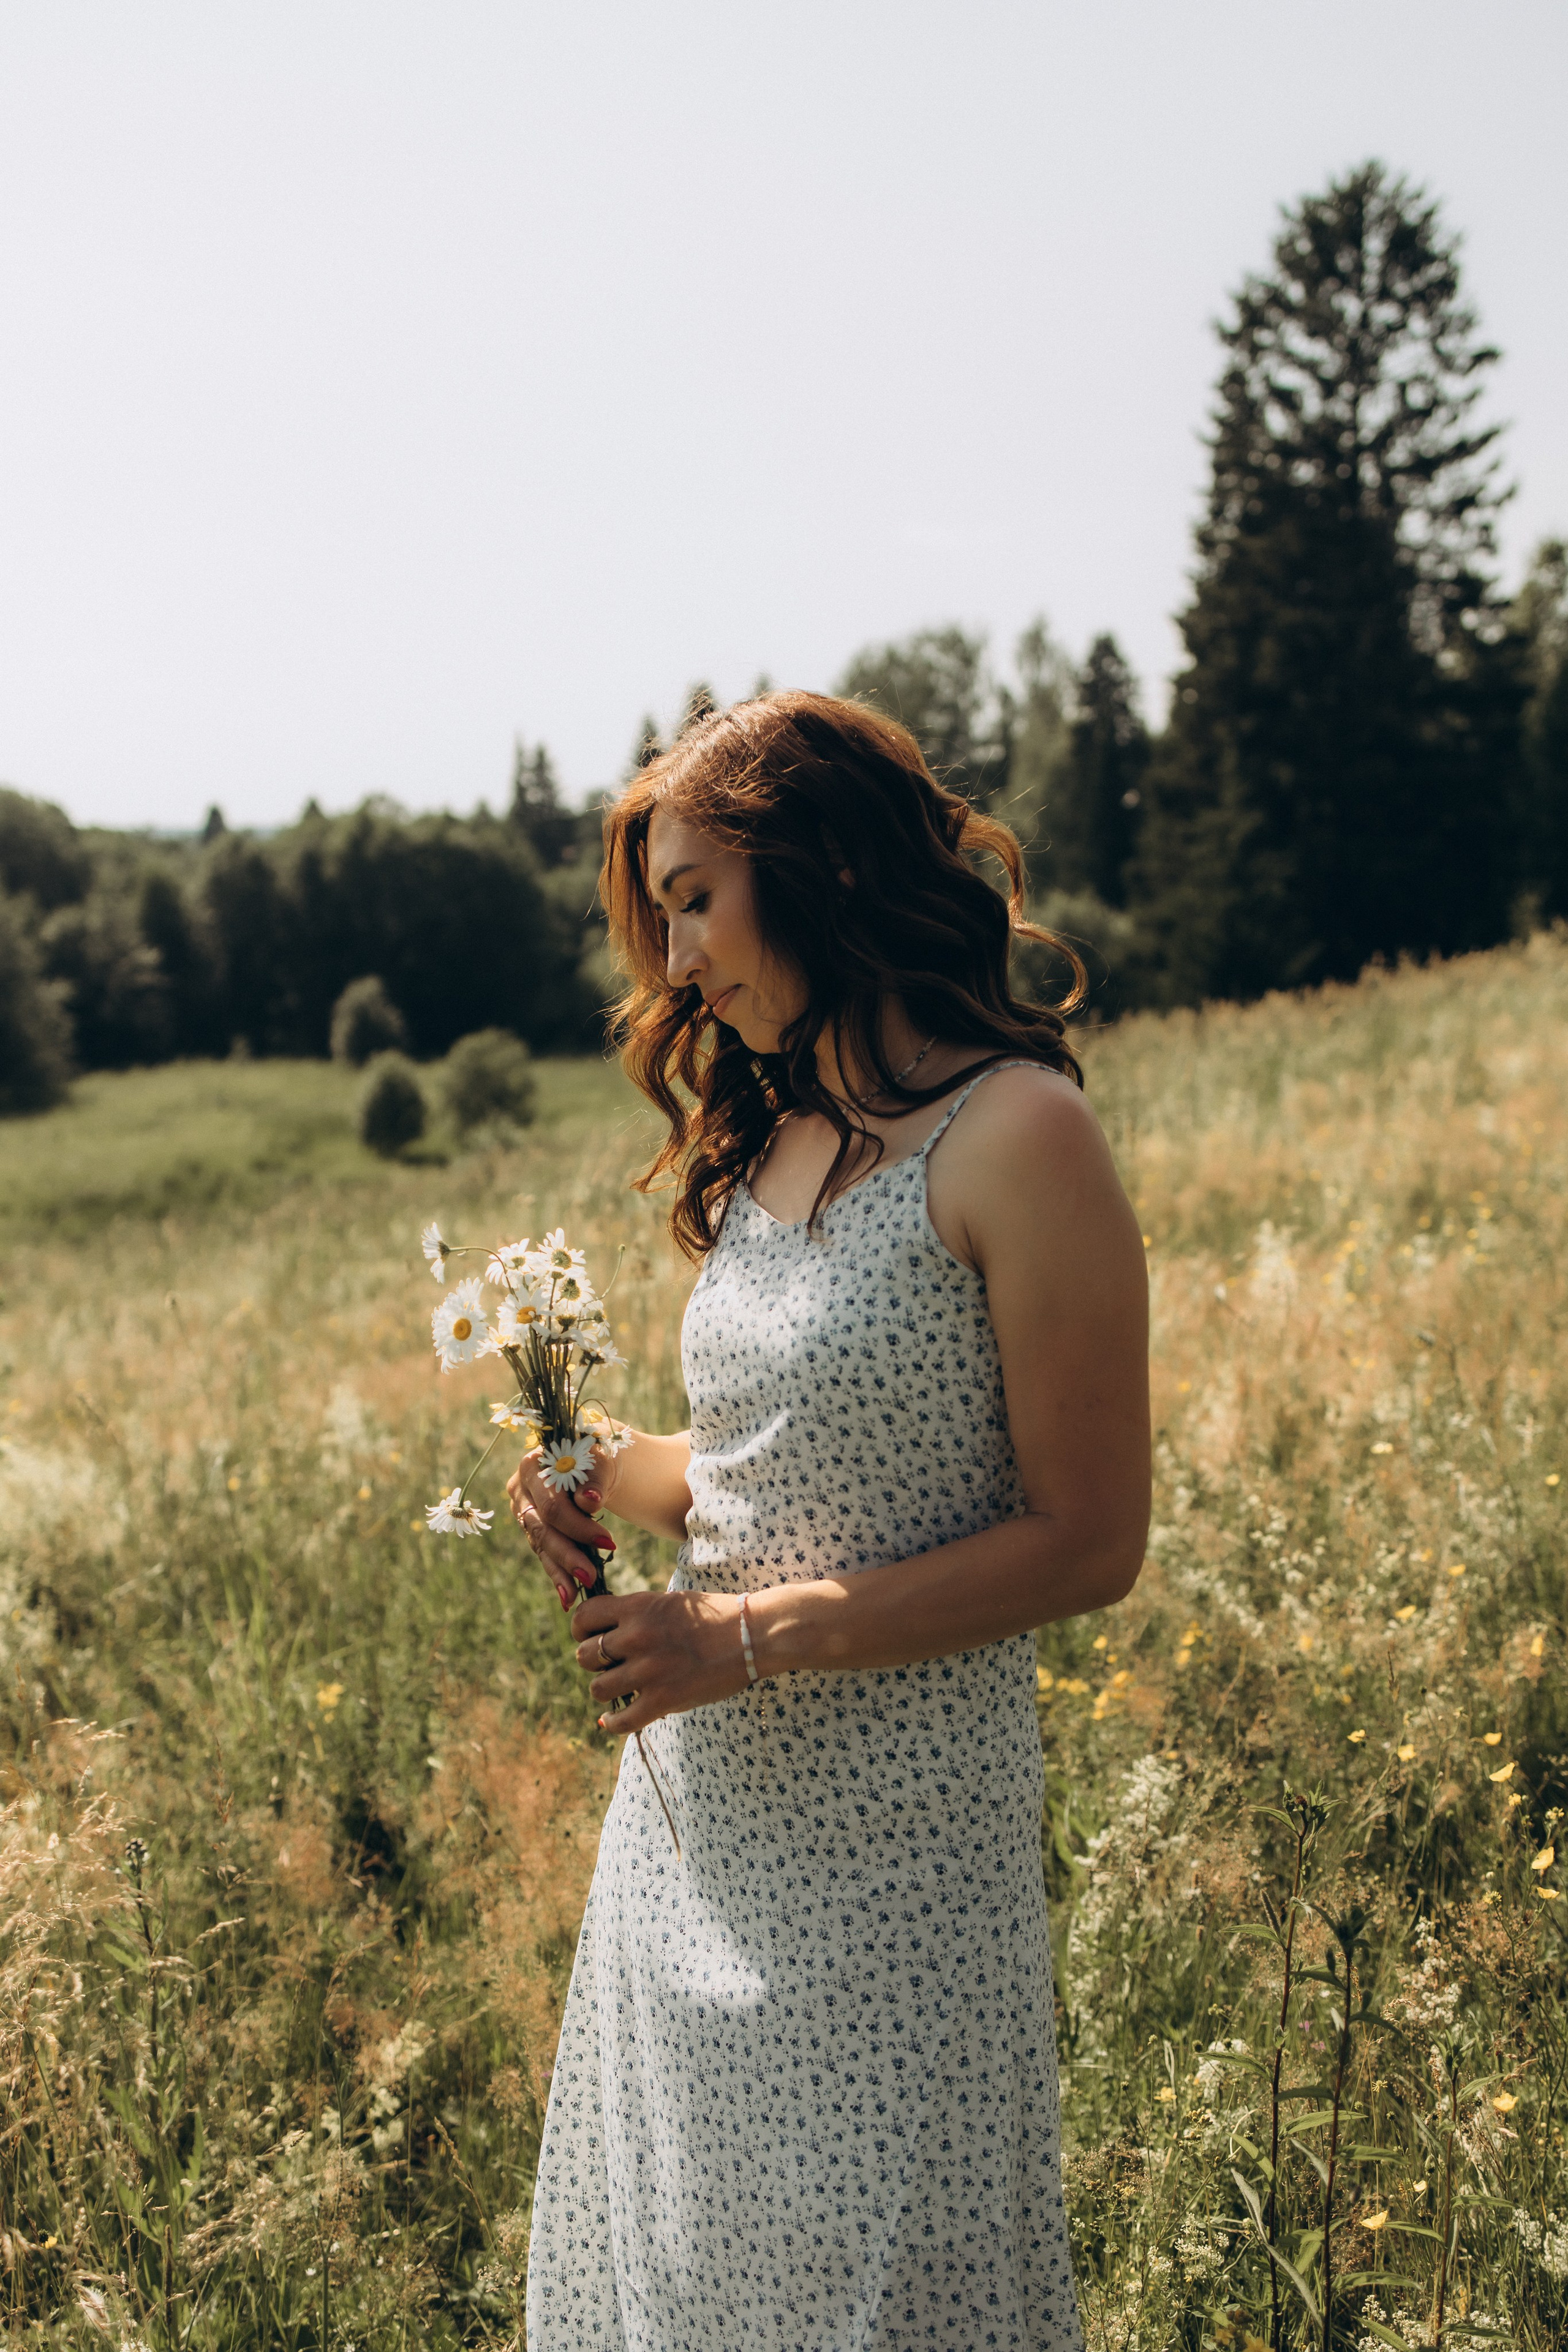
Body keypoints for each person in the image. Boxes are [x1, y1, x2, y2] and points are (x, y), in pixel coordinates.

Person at [509, 689, 1151, 2350]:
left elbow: (1091, 1538)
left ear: (826, 868)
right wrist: (599, 1468)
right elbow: (748, 1475)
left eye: (697, 895)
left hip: (896, 1863)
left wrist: (738, 1638)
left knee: (879, 2294)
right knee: (693, 2285)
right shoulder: (779, 1130)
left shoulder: (1020, 1137)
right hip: (690, 1837)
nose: (674, 956)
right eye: (657, 913)